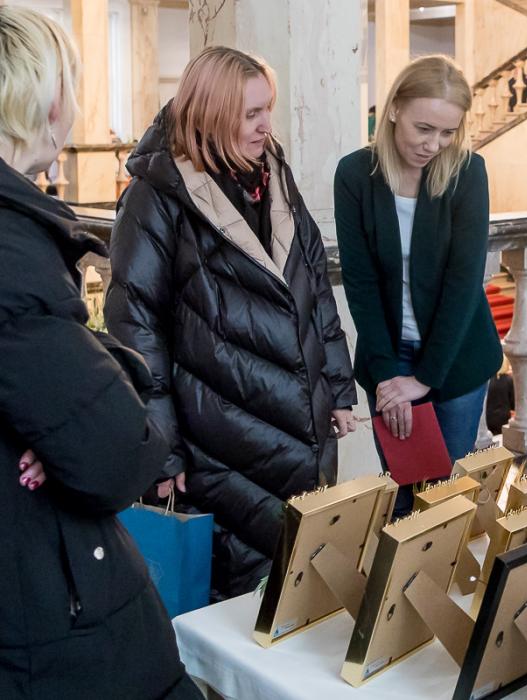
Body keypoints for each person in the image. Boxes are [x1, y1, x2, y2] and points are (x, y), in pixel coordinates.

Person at [104, 47, 357, 600]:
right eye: (251, 114)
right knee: (236, 599)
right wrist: (162, 449)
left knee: (296, 587)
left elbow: (315, 288)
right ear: (212, 115)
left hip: (304, 432)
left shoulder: (273, 174)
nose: (266, 125)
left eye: (268, 110)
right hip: (221, 446)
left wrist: (338, 387)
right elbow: (136, 330)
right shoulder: (155, 196)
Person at [0, 7, 201, 697]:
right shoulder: (13, 249)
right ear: (49, 103)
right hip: (48, 614)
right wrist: (105, 394)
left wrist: (78, 395)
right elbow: (119, 454)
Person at [335, 55, 502, 516]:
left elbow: (463, 284)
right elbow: (361, 283)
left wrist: (424, 378)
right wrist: (390, 376)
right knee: (405, 494)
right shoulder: (355, 175)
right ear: (394, 109)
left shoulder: (467, 172)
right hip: (388, 356)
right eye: (423, 128)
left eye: (447, 132)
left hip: (456, 359)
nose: (433, 145)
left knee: (445, 501)